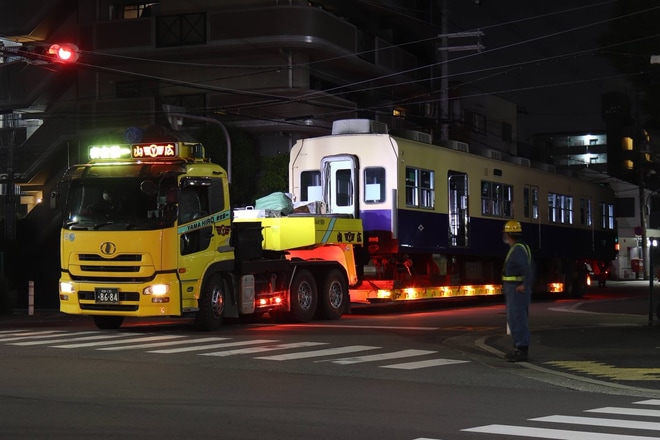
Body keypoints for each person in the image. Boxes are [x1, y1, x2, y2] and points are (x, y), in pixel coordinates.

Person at [501, 220, 533, 362]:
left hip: (516, 289)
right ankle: (519, 348)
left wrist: (524, 284)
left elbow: (527, 269)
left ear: (509, 234)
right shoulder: (519, 247)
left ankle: (521, 350)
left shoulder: (518, 249)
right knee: (515, 318)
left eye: (505, 234)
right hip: (514, 288)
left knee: (517, 318)